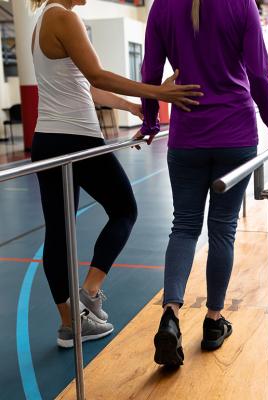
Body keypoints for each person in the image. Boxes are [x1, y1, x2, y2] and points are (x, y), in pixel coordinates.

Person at [29, 0, 202, 348]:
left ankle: (71, 325)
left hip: (48, 139)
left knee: (59, 231)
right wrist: (158, 92)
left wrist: (135, 107)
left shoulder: (39, 20)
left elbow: (85, 87)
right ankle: (90, 292)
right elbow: (97, 75)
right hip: (74, 139)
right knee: (125, 210)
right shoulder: (64, 17)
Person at [136, 0, 268, 366]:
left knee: (184, 226)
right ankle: (213, 322)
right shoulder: (241, 4)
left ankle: (171, 316)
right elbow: (259, 73)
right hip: (235, 135)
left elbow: (150, 72)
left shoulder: (162, 6)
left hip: (186, 137)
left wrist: (150, 122)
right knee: (222, 229)